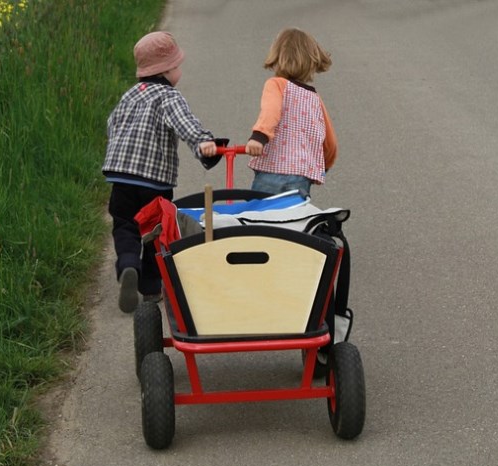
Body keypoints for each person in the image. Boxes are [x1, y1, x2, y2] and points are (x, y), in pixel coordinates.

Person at [102, 31, 218, 313]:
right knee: (155, 230)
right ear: (165, 70)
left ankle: (129, 264)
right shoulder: (169, 97)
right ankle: (151, 287)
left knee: (125, 225)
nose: (179, 71)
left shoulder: (130, 95)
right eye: (177, 66)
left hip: (121, 176)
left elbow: (111, 124)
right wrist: (205, 145)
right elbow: (185, 125)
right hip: (154, 180)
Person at [246, 28, 338, 197]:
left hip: (272, 171)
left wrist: (259, 137)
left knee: (260, 217)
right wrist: (324, 165)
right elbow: (329, 140)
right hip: (301, 176)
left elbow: (270, 111)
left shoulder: (276, 84)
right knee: (293, 219)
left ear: (278, 56)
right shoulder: (314, 98)